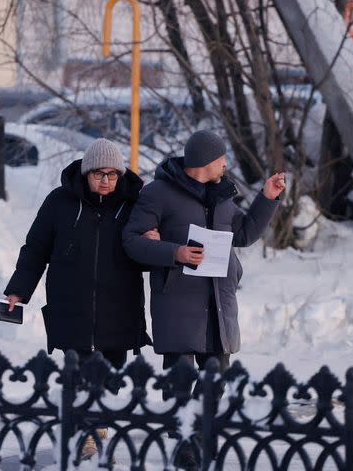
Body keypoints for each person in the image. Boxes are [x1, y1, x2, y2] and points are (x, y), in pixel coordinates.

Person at [122, 130, 285, 372]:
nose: (225, 164)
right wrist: (176, 253)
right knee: (179, 392)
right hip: (178, 307)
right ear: (206, 161)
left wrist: (267, 197)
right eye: (222, 158)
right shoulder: (158, 193)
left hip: (219, 306)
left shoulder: (221, 197)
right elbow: (131, 241)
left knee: (216, 391)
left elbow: (245, 234)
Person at [3, 138, 153, 370]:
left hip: (119, 315)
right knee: (77, 388)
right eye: (98, 174)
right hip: (72, 313)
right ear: (86, 173)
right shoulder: (59, 202)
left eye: (112, 174)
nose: (105, 181)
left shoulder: (133, 205)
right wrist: (18, 290)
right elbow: (36, 248)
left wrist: (153, 243)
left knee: (112, 390)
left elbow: (144, 257)